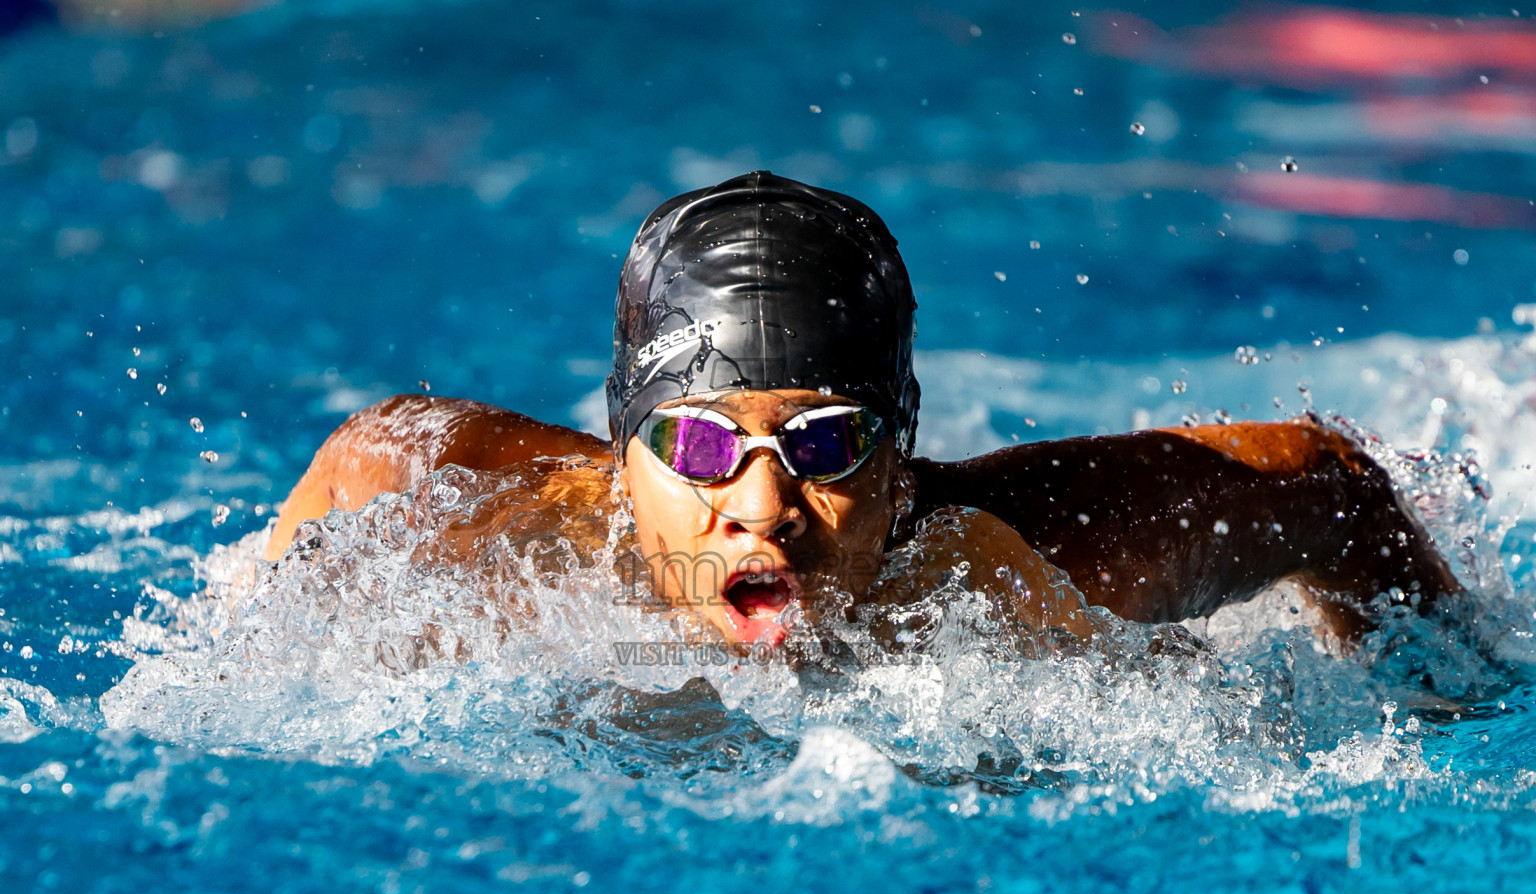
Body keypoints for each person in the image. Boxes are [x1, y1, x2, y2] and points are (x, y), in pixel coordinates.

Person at [262, 171, 1457, 652]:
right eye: (697, 444)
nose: (763, 506)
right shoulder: (503, 545)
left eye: (828, 441)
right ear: (627, 457)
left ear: (902, 459)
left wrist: (1452, 697)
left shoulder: (1033, 573)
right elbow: (364, 456)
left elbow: (1329, 485)